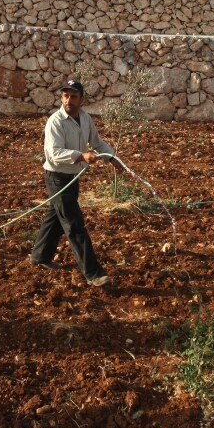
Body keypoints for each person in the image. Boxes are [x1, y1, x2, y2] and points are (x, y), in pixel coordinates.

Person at [30, 79, 124, 286]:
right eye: (65, 96)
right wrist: (81, 156)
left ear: (82, 99)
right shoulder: (55, 121)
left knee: (55, 217)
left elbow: (97, 142)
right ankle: (93, 273)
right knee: (74, 224)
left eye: (73, 96)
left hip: (72, 177)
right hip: (57, 177)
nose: (68, 100)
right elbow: (54, 154)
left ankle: (40, 257)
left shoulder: (85, 118)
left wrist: (112, 158)